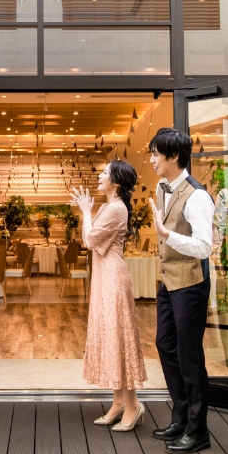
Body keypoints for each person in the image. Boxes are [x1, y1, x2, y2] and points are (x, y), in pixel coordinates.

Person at [147, 127, 214, 454]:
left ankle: (198, 431)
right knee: (165, 345)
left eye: (156, 154)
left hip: (190, 284)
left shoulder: (197, 196)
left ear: (173, 156)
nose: (152, 160)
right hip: (169, 281)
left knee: (189, 355)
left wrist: (166, 234)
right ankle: (181, 417)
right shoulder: (163, 188)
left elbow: (204, 247)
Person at [71, 160, 148, 431]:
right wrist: (89, 212)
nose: (100, 175)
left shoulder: (116, 208)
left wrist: (85, 211)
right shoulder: (109, 206)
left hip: (113, 278)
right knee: (111, 338)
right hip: (105, 277)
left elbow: (90, 240)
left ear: (115, 180)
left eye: (105, 172)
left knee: (119, 338)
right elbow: (91, 240)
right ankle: (118, 402)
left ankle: (134, 404)